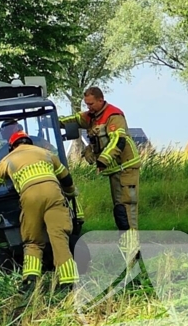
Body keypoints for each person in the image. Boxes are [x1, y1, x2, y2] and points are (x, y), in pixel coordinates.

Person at [0, 131, 79, 290]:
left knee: (32, 240)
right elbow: (66, 178)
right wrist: (70, 192)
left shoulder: (8, 160)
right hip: (54, 193)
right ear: (29, 143)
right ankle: (68, 281)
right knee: (60, 238)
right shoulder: (46, 153)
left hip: (30, 197)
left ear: (11, 146)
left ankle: (30, 281)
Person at [60, 87, 141, 259]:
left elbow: (119, 140)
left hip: (126, 168)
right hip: (115, 170)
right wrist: (53, 121)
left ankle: (133, 251)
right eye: (86, 104)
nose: (88, 107)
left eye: (91, 104)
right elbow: (73, 120)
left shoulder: (114, 116)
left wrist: (102, 160)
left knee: (125, 210)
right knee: (119, 209)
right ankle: (127, 249)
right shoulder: (91, 116)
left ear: (100, 99)